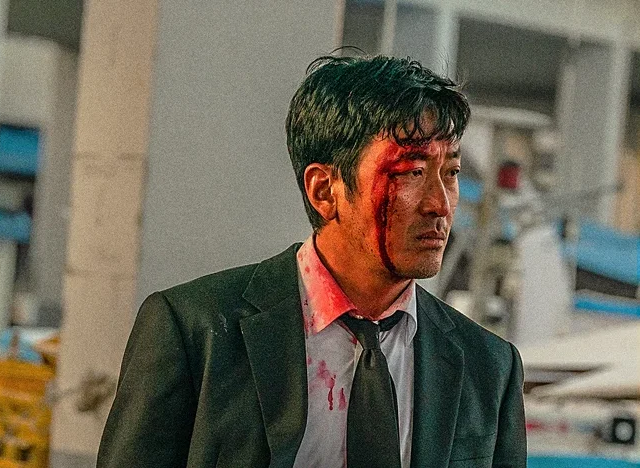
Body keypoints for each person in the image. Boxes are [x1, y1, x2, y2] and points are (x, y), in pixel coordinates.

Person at [97, 55, 527, 468]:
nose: (441, 204)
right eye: (411, 173)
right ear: (324, 190)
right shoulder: (196, 332)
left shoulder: (489, 367)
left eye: (450, 173)